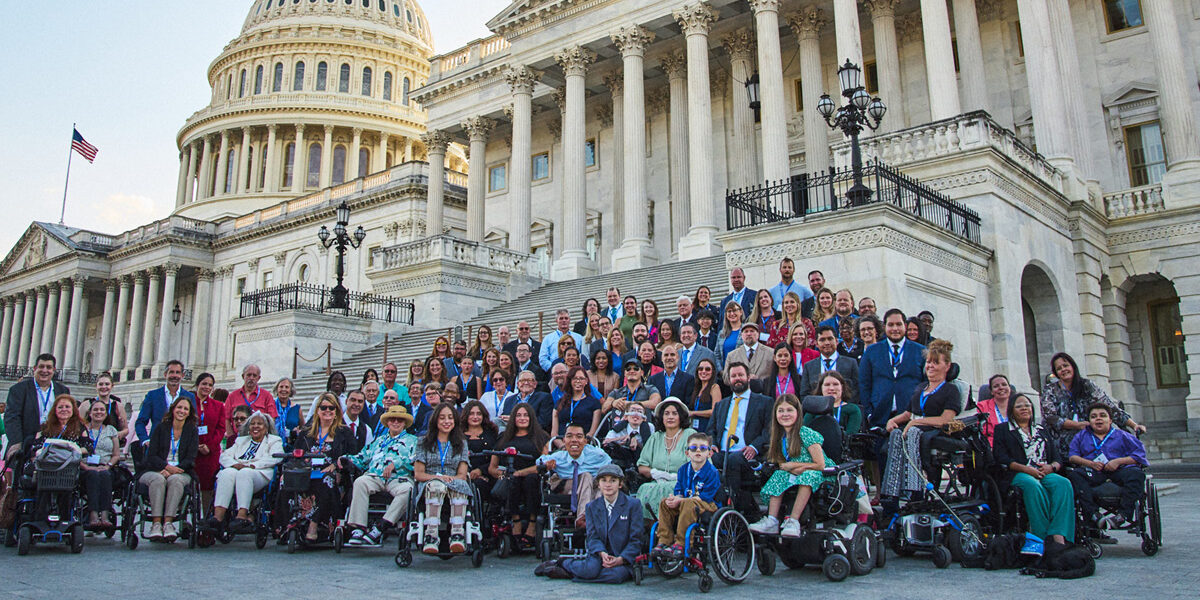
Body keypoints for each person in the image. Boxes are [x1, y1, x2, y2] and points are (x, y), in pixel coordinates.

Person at [881, 340, 961, 500]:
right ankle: (892, 489)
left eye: (935, 362)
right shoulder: (921, 388)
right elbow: (908, 414)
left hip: (936, 430)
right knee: (896, 434)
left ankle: (914, 487)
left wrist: (915, 423)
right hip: (916, 427)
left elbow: (945, 419)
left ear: (947, 366)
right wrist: (892, 421)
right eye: (928, 362)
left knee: (913, 432)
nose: (930, 366)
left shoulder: (950, 390)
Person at [536, 464, 643, 583]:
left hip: (623, 558)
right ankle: (563, 562)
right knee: (591, 569)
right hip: (599, 555)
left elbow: (636, 539)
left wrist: (620, 559)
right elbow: (593, 537)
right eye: (604, 480)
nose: (608, 484)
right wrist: (602, 553)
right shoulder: (591, 506)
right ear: (598, 484)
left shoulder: (633, 505)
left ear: (620, 484)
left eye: (613, 481)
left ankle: (569, 573)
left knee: (615, 576)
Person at [993, 394, 1073, 551]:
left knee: (1063, 484)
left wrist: (1052, 467)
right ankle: (1041, 536)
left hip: (1044, 471)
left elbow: (1057, 458)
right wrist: (1026, 469)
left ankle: (1058, 535)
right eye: (1019, 406)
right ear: (1011, 410)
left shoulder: (1041, 430)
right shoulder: (1003, 429)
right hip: (1019, 472)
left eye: (1027, 405)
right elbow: (1000, 457)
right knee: (1032, 485)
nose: (1024, 408)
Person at [749, 394, 836, 537]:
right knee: (778, 475)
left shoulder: (806, 433)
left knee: (808, 475)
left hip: (821, 473)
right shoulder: (779, 436)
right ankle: (772, 520)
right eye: (781, 411)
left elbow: (820, 464)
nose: (785, 414)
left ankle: (793, 521)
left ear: (797, 413)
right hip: (795, 472)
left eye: (789, 410)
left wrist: (797, 466)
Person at [1041, 351, 1142, 461]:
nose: (1063, 370)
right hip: (1060, 443)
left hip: (1088, 441)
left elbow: (1110, 407)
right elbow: (1051, 417)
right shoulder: (1049, 390)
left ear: (1073, 366)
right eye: (1059, 368)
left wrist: (1133, 425)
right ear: (1056, 373)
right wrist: (1077, 425)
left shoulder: (1087, 385)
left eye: (1066, 365)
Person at [1066, 402, 1148, 531]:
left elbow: (1139, 456)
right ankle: (1093, 514)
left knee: (1137, 474)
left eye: (1102, 415)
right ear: (1089, 421)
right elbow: (1072, 456)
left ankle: (1122, 515)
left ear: (1110, 420)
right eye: (1093, 416)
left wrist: (1118, 461)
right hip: (1094, 471)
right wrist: (1090, 463)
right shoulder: (1082, 436)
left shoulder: (1122, 435)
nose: (1098, 419)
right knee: (1074, 475)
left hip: (1119, 471)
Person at [343, 405, 417, 546]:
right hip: (375, 476)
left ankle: (381, 527)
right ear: (388, 422)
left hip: (398, 478)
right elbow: (362, 457)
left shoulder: (414, 441)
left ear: (404, 423)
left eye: (400, 420)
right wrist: (344, 459)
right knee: (360, 482)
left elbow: (417, 460)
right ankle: (358, 528)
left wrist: (396, 463)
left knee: (409, 490)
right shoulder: (379, 441)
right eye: (393, 419)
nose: (396, 422)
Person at [707, 362, 773, 518]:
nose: (737, 379)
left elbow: (769, 431)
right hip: (722, 452)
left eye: (740, 375)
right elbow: (711, 430)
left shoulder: (764, 402)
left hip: (748, 453)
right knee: (706, 460)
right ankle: (712, 508)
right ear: (729, 380)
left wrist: (754, 447)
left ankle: (737, 510)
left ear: (748, 377)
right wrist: (712, 445)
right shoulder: (721, 405)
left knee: (733, 460)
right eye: (733, 376)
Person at [293, 393, 355, 541]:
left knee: (327, 481)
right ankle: (289, 525)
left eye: (331, 408)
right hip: (307, 472)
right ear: (317, 410)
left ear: (337, 411)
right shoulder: (306, 432)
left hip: (332, 473)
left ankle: (314, 524)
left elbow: (353, 456)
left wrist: (336, 465)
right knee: (286, 481)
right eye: (323, 407)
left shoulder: (344, 432)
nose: (327, 411)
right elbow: (296, 454)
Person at [208, 411, 283, 534]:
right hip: (237, 470)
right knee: (227, 473)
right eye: (252, 424)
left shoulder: (274, 440)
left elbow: (276, 457)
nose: (255, 426)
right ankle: (218, 517)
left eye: (260, 424)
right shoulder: (241, 440)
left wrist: (253, 465)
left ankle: (242, 515)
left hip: (259, 473)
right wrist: (233, 464)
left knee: (245, 473)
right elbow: (224, 456)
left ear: (266, 427)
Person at [412, 402, 472, 554]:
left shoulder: (462, 443)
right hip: (430, 482)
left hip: (454, 481)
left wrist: (449, 480)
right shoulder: (423, 442)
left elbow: (462, 474)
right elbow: (418, 474)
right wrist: (439, 478)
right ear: (435, 421)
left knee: (460, 486)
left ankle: (457, 534)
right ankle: (431, 535)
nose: (447, 421)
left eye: (450, 418)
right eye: (442, 418)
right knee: (437, 486)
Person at [649, 431, 721, 556]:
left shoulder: (712, 472)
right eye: (693, 448)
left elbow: (703, 497)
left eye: (703, 448)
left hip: (707, 504)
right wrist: (675, 498)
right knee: (665, 503)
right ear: (687, 453)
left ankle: (681, 543)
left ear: (709, 453)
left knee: (689, 503)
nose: (698, 451)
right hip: (687, 502)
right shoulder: (683, 470)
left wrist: (681, 501)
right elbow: (679, 490)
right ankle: (664, 540)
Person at [490, 402, 549, 549]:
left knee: (531, 480)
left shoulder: (541, 437)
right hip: (507, 475)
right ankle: (514, 520)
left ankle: (532, 523)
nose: (522, 418)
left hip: (533, 474)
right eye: (518, 415)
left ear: (531, 418)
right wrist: (500, 473)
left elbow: (544, 463)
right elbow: (492, 467)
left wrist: (521, 472)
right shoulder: (504, 438)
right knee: (511, 479)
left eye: (525, 415)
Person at [140, 396, 199, 542]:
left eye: (185, 409)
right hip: (155, 469)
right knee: (158, 480)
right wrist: (165, 467)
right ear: (173, 409)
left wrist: (174, 469)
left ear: (189, 412)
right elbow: (151, 455)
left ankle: (168, 523)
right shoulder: (161, 428)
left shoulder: (192, 430)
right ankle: (156, 524)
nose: (182, 411)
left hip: (181, 471)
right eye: (179, 407)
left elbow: (190, 458)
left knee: (175, 480)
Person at [26, 395, 89, 525]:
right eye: (60, 407)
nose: (64, 409)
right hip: (46, 466)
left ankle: (64, 521)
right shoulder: (45, 427)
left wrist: (72, 450)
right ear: (55, 409)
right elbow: (35, 447)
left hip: (68, 468)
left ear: (73, 410)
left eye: (67, 407)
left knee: (67, 489)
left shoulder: (80, 428)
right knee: (42, 486)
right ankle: (40, 521)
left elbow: (87, 448)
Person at [859, 309, 927, 429]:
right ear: (885, 327)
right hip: (880, 416)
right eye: (891, 325)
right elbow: (864, 384)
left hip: (910, 417)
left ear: (905, 326)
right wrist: (870, 413)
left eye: (898, 324)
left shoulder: (920, 351)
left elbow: (926, 382)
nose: (895, 328)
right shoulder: (872, 351)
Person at [537, 424, 613, 527]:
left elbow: (611, 466)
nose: (574, 440)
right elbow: (539, 461)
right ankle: (584, 517)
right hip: (567, 484)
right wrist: (547, 464)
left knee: (600, 488)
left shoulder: (596, 454)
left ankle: (593, 521)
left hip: (592, 486)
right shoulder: (559, 456)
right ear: (564, 440)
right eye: (569, 436)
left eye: (579, 436)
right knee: (586, 476)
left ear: (585, 441)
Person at [635, 398, 697, 519]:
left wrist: (676, 477)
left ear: (681, 416)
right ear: (661, 418)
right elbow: (642, 466)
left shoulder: (690, 434)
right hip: (657, 482)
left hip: (684, 484)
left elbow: (700, 465)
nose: (670, 417)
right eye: (666, 413)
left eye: (675, 413)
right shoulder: (655, 437)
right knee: (645, 489)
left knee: (669, 488)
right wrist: (655, 473)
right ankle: (651, 530)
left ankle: (665, 529)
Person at [80, 399, 121, 529]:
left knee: (105, 475)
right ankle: (93, 514)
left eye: (102, 410)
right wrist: (85, 466)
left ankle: (104, 514)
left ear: (106, 413)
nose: (99, 412)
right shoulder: (83, 429)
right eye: (96, 410)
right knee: (93, 475)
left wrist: (108, 465)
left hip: (105, 466)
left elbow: (116, 455)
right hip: (85, 467)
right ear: (90, 413)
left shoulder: (111, 430)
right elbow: (75, 452)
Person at [136, 360, 196, 443]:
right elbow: (140, 422)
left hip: (180, 445)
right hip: (157, 444)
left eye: (177, 372)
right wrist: (145, 439)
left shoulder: (190, 396)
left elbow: (193, 422)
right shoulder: (153, 395)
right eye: (171, 372)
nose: (174, 375)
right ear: (165, 374)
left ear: (182, 375)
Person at [799, 325, 861, 398]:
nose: (827, 343)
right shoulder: (809, 366)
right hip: (817, 408)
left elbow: (856, 390)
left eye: (830, 339)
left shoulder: (851, 363)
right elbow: (804, 394)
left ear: (837, 341)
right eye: (822, 340)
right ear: (816, 344)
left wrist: (842, 406)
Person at [192, 372, 226, 499]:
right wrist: (195, 445)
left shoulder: (218, 406)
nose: (206, 387)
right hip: (191, 450)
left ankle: (206, 513)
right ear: (197, 385)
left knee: (208, 484)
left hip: (210, 452)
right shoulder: (188, 402)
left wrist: (209, 446)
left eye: (210, 385)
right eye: (204, 384)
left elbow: (221, 429)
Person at [460, 400, 499, 504]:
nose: (475, 417)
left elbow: (496, 458)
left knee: (480, 485)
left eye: (478, 414)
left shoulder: (491, 434)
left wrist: (481, 471)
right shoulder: (458, 435)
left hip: (487, 474)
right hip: (463, 474)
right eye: (471, 414)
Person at [552, 366, 603, 439]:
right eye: (575, 378)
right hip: (562, 444)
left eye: (581, 378)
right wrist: (562, 446)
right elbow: (554, 433)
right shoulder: (560, 402)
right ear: (570, 381)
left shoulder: (594, 403)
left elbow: (592, 433)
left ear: (586, 381)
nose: (578, 381)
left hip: (584, 444)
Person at [225, 364, 276, 437]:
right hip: (237, 438)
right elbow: (226, 419)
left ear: (258, 378)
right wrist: (231, 436)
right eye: (248, 375)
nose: (251, 378)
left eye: (254, 375)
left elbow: (272, 418)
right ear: (243, 376)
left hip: (259, 438)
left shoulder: (267, 396)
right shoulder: (232, 396)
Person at [808, 372, 863, 436]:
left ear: (842, 387)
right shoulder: (813, 409)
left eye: (835, 384)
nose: (831, 388)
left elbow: (851, 434)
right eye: (827, 385)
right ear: (821, 388)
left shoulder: (853, 409)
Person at [82, 372, 127, 442]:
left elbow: (126, 429)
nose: (104, 387)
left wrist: (119, 434)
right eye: (100, 384)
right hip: (90, 443)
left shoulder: (118, 406)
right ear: (96, 386)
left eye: (107, 384)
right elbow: (77, 424)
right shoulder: (86, 404)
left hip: (111, 445)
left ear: (112, 386)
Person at [975, 374, 1013, 447]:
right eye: (996, 386)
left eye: (1004, 384)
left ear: (1009, 388)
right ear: (991, 392)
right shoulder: (982, 406)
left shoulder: (1017, 406)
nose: (1001, 388)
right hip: (993, 447)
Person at [688, 358, 721, 432]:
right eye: (700, 369)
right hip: (695, 429)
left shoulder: (714, 387)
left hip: (708, 430)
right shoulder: (697, 389)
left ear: (712, 372)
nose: (703, 371)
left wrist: (693, 413)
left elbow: (715, 411)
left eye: (707, 369)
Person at [272, 377, 304, 444]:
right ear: (277, 389)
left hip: (291, 446)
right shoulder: (271, 406)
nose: (284, 389)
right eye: (281, 387)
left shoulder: (297, 408)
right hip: (273, 444)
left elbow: (303, 427)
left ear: (291, 390)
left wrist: (297, 431)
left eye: (287, 387)